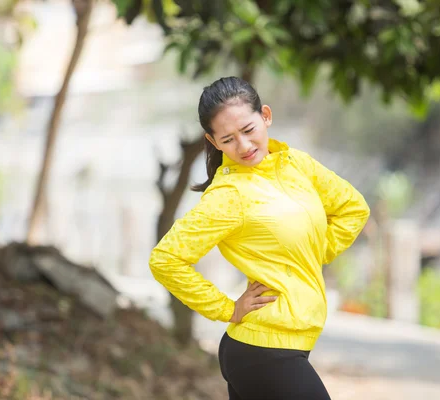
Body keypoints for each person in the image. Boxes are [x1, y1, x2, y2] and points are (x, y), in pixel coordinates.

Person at [149, 76, 370, 400]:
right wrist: (226, 308)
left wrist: (310, 254)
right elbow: (165, 260)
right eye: (228, 139)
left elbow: (353, 208)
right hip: (261, 350)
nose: (244, 146)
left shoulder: (297, 164)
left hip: (284, 347)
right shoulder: (229, 195)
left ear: (265, 116)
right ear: (212, 141)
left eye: (249, 130)